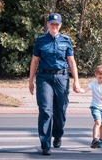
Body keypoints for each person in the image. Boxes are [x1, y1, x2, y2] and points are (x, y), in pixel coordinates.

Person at [29, 12, 81, 155]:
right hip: (44, 78)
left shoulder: (66, 40)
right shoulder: (40, 40)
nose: (54, 26)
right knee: (46, 110)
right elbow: (34, 61)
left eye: (57, 24)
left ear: (60, 25)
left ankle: (57, 134)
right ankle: (45, 144)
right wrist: (30, 81)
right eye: (52, 23)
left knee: (60, 111)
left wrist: (76, 81)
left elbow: (71, 61)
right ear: (48, 24)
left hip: (61, 78)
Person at [80, 65, 102, 149]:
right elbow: (85, 89)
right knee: (98, 122)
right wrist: (80, 90)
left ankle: (101, 140)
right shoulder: (93, 84)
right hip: (95, 107)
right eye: (100, 77)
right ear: (96, 76)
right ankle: (94, 139)